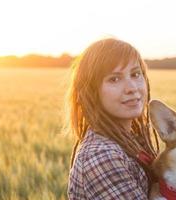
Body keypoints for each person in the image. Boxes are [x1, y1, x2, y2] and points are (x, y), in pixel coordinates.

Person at [65, 38, 160, 199]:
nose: (132, 88)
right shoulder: (101, 156)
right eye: (114, 79)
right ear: (92, 91)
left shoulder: (130, 140)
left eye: (136, 74)